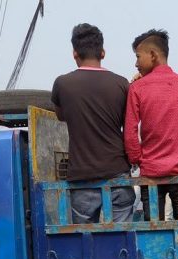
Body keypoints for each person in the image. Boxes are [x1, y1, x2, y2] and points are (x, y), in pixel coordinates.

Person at [51, 23, 134, 224]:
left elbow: (61, 116)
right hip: (117, 173)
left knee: (85, 242)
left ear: (74, 53)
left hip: (82, 176)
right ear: (102, 52)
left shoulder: (62, 83)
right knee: (122, 238)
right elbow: (128, 122)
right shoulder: (122, 83)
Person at [124, 29, 178, 220]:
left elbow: (130, 132)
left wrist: (138, 158)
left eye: (138, 56)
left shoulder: (137, 88)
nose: (136, 63)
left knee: (153, 234)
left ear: (153, 55)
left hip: (151, 172)